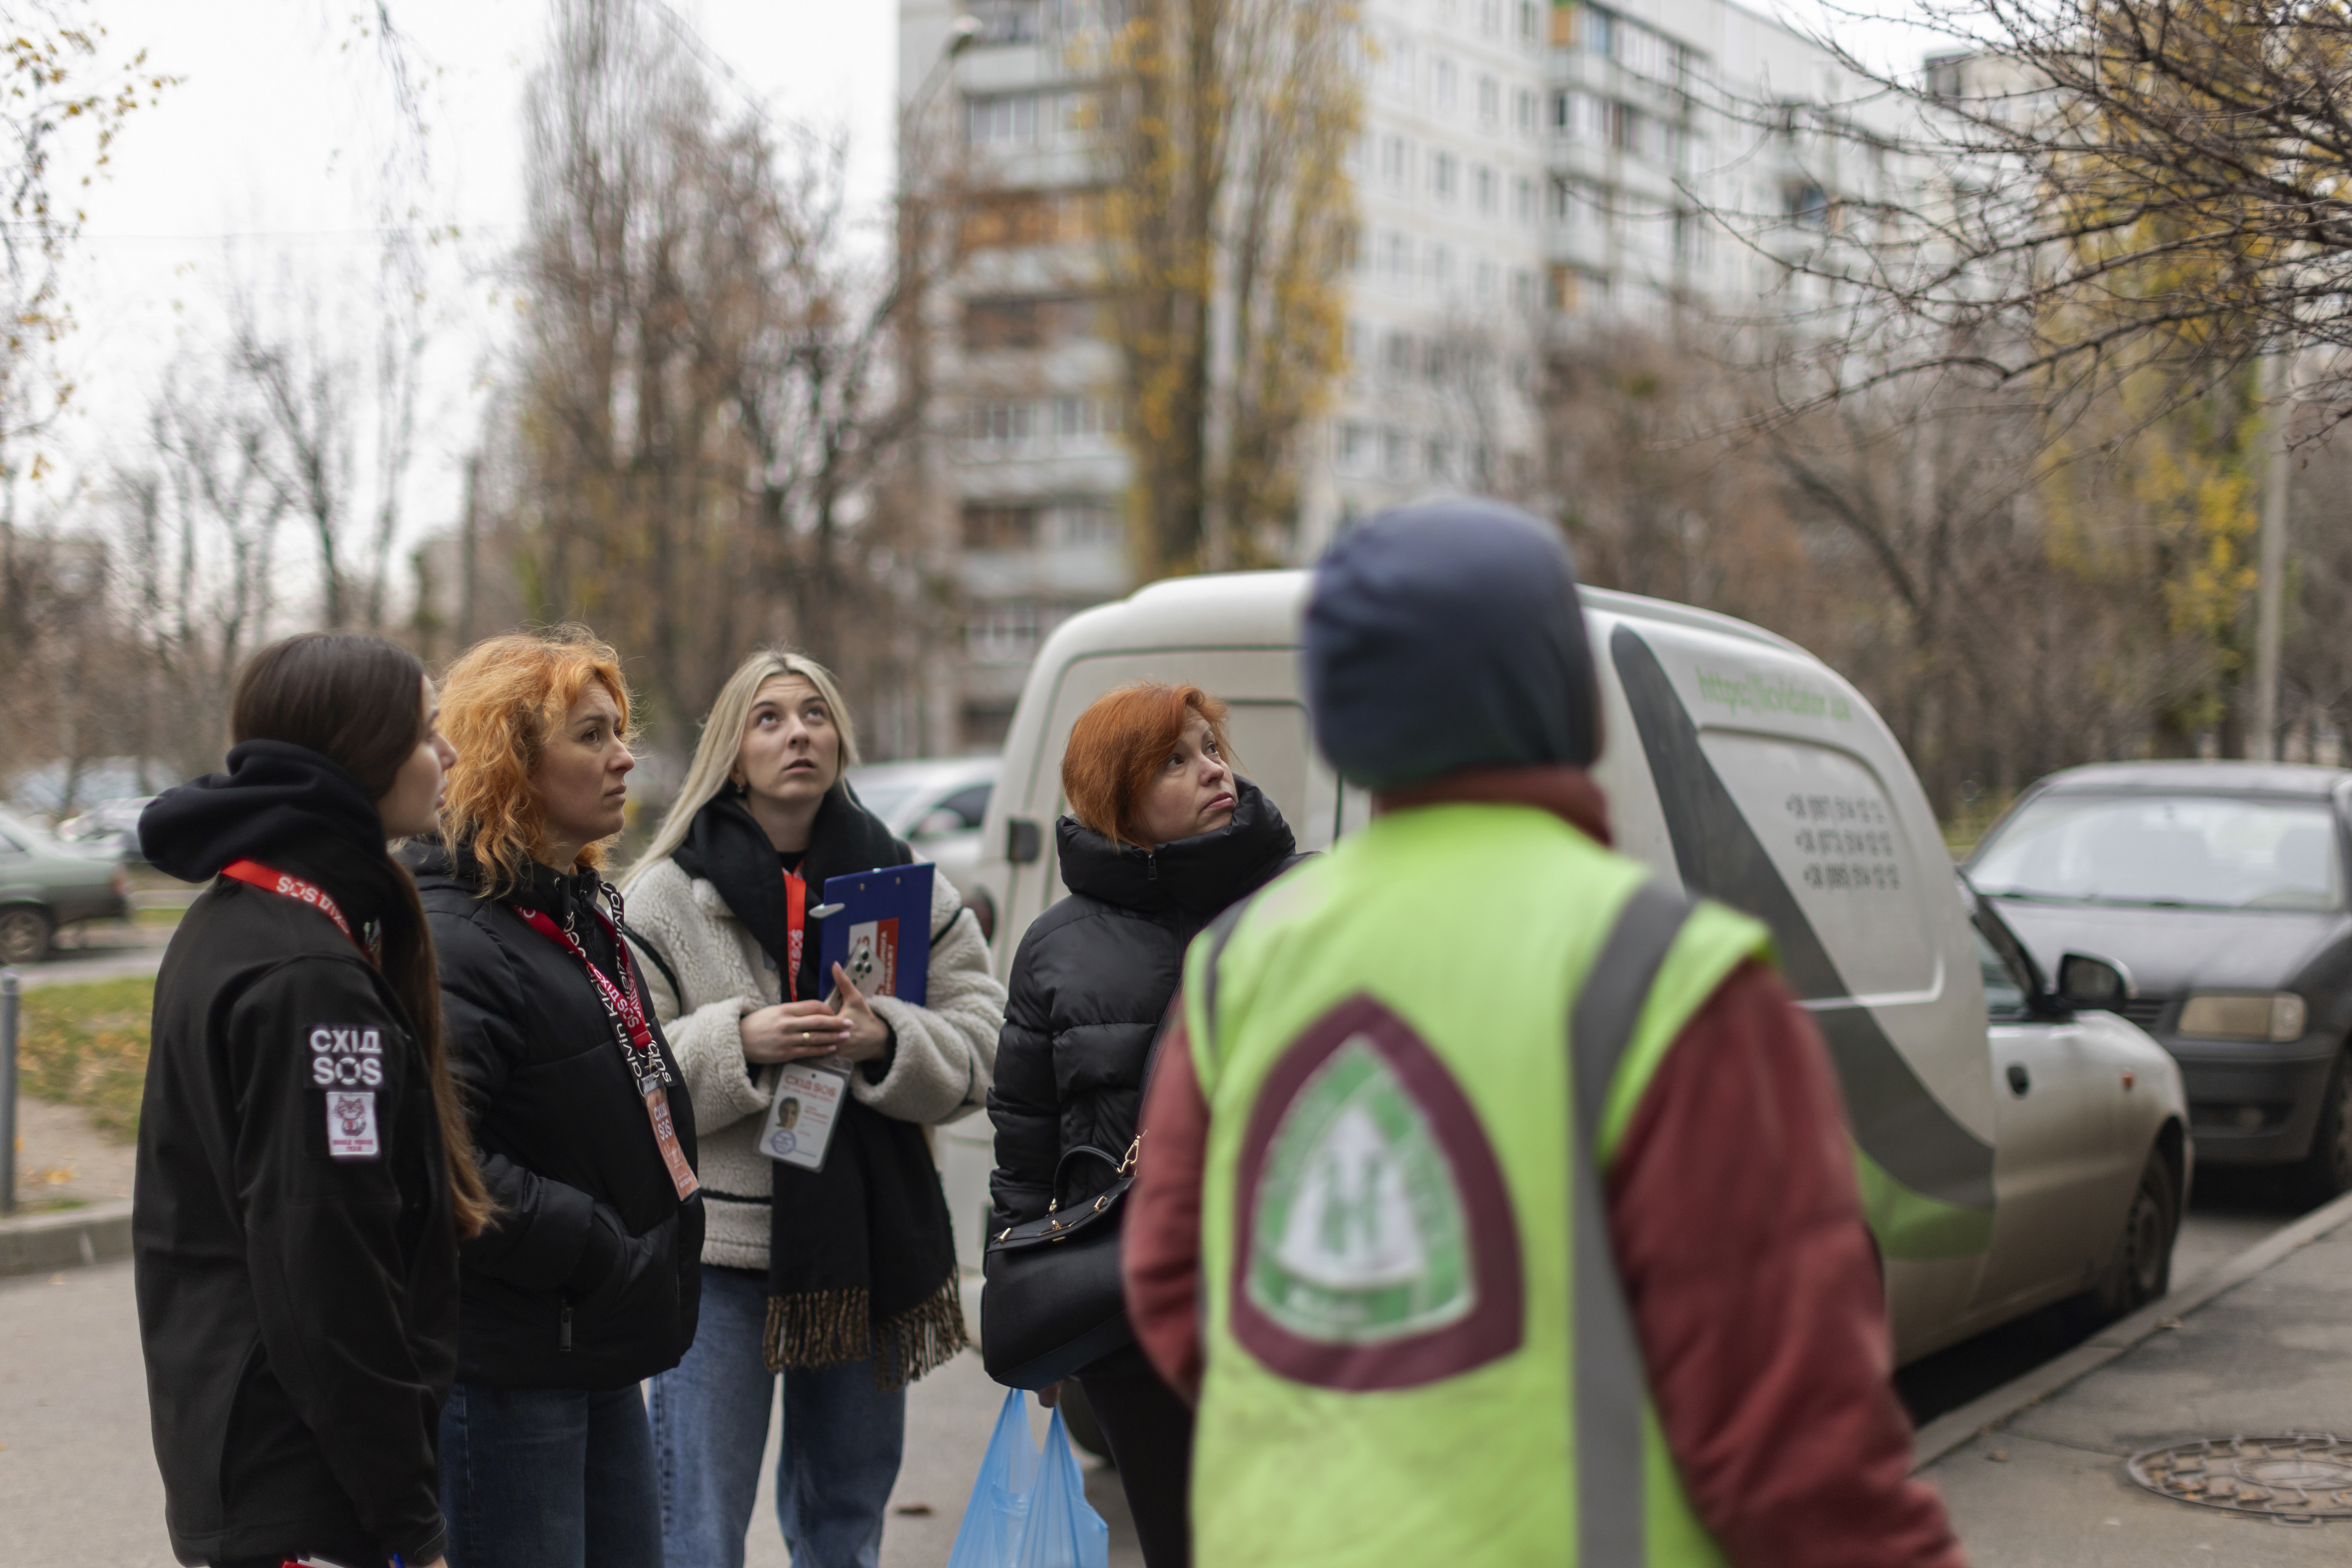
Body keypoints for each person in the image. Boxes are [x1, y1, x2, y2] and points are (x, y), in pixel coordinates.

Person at [1121, 500, 1967, 1567]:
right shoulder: (1668, 976)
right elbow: (1795, 1449)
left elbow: (1174, 1290)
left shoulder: (1241, 965)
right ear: (1572, 700)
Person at [624, 649, 1004, 1568]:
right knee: (697, 1533)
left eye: (815, 714)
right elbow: (623, 1069)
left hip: (866, 1246)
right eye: (769, 718)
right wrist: (739, 1042)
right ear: (733, 749)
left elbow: (988, 1039)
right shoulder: (667, 894)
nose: (798, 732)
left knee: (845, 1523)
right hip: (715, 1257)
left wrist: (888, 1043)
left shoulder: (903, 880)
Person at [133, 633, 492, 1568]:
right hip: (303, 1486)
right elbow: (327, 1272)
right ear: (360, 754)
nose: (448, 755)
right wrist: (410, 1519)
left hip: (263, 1464)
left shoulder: (242, 917)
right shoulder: (307, 976)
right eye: (426, 732)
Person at [403, 627, 704, 1568]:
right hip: (512, 1365)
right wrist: (598, 1248)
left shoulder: (568, 908)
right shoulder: (458, 936)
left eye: (620, 731)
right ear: (510, 762)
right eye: (591, 735)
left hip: (588, 1342)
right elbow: (445, 1166)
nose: (624, 757)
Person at [989, 681, 1303, 1568]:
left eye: (1212, 749)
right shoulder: (1055, 948)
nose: (1214, 770)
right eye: (1177, 758)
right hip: (1132, 1311)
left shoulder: (1301, 900)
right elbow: (1026, 1146)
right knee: (1183, 1541)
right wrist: (1031, 1306)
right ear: (1116, 796)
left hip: (1283, 1292)